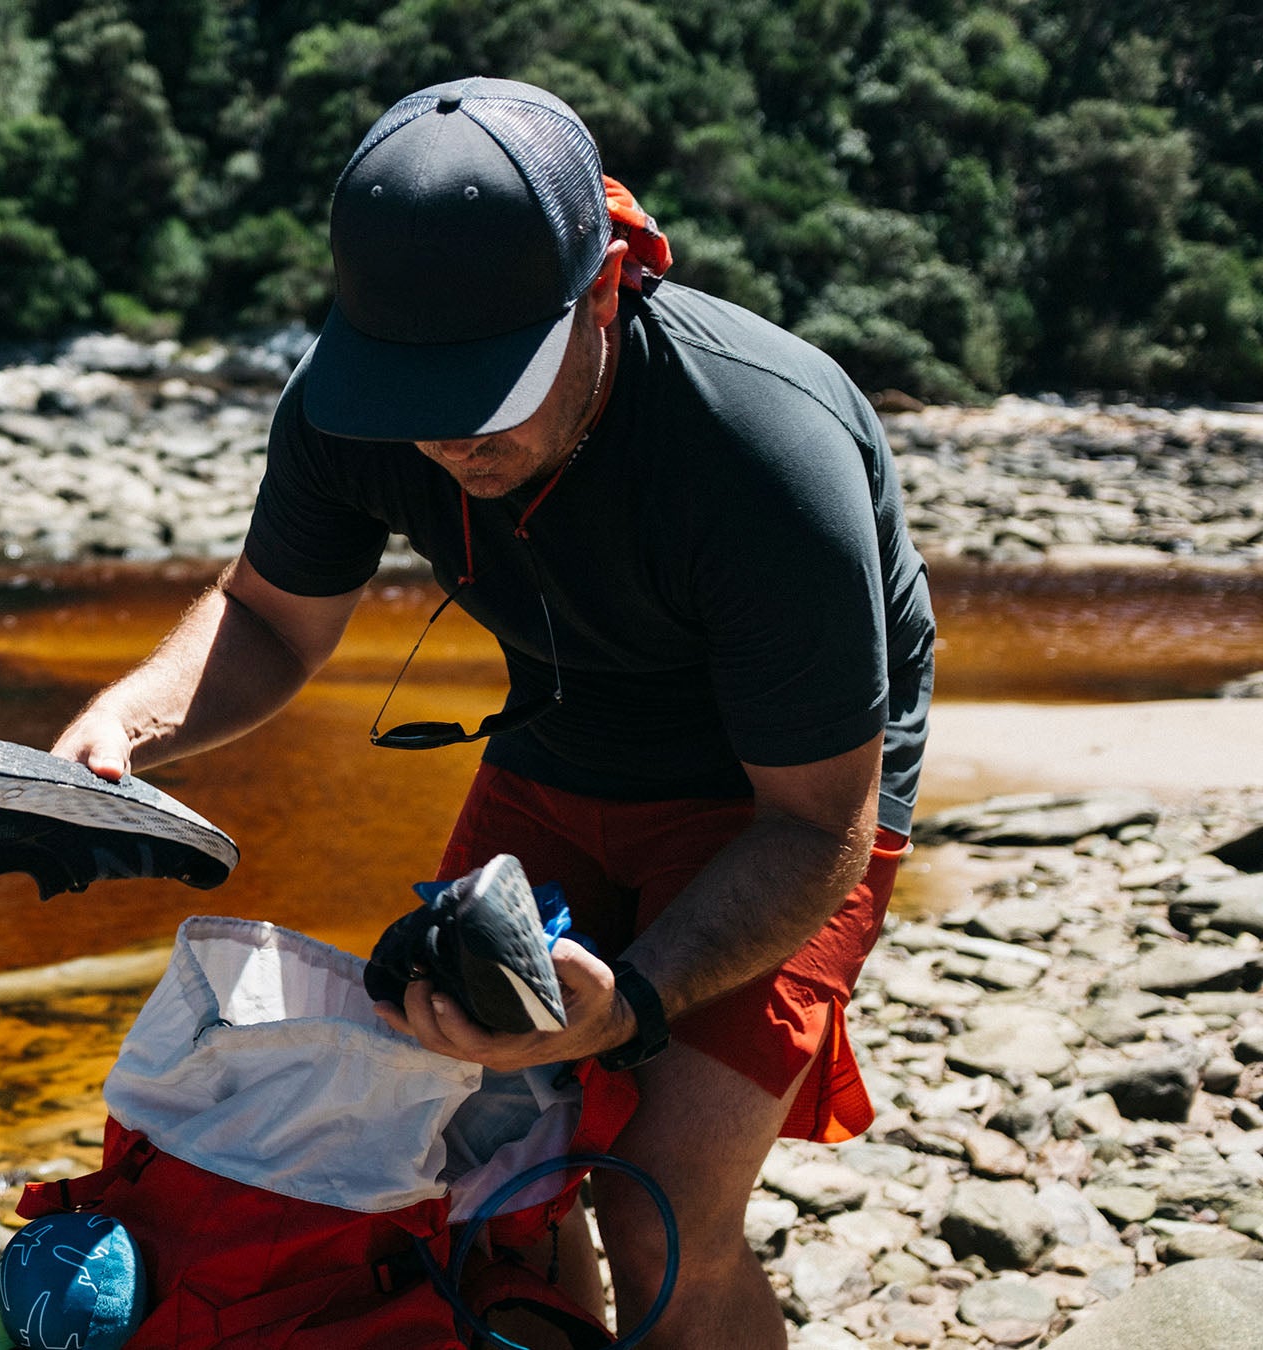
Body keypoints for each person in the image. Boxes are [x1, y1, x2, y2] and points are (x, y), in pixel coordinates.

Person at [49, 77, 933, 1349]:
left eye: (487, 389)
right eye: (416, 397)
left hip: (779, 791)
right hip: (561, 735)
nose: (448, 438)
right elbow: (271, 620)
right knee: (485, 1159)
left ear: (601, 293)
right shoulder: (360, 404)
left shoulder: (758, 448)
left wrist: (630, 1002)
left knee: (661, 1213)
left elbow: (815, 825)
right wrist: (126, 725)